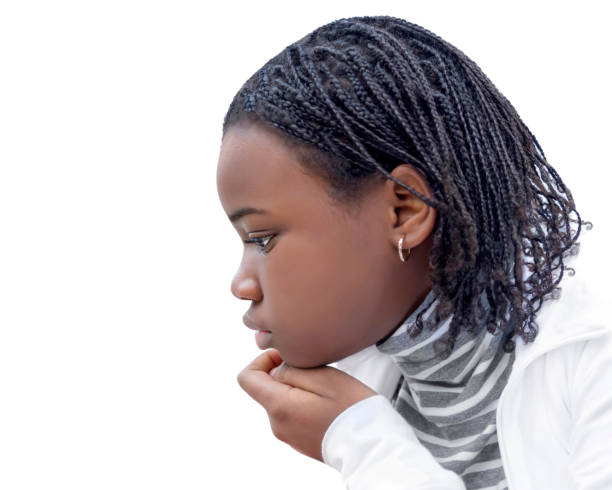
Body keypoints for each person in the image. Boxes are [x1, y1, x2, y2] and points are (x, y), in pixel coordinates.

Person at [215, 15, 612, 490]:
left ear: (405, 211)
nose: (241, 283)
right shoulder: (366, 380)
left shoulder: (596, 355)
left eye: (262, 238)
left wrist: (363, 441)